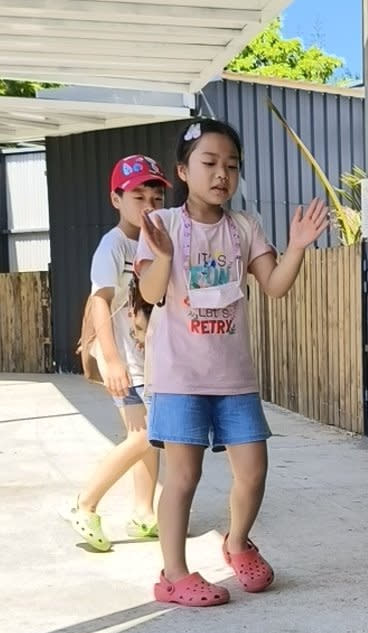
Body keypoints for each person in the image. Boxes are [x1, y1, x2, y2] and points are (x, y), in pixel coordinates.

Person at [135, 118, 328, 607]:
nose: (222, 174)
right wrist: (161, 258)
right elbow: (152, 293)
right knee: (183, 477)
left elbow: (275, 285)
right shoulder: (162, 226)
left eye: (232, 165)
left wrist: (300, 246)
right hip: (179, 376)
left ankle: (237, 543)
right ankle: (173, 575)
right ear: (182, 169)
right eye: (210, 163)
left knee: (254, 470)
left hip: (233, 377)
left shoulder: (244, 227)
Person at [65, 154, 170, 551]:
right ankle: (85, 503)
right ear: (116, 199)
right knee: (147, 434)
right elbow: (99, 300)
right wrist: (111, 360)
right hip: (125, 359)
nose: (149, 206)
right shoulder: (114, 245)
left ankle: (143, 512)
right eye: (138, 196)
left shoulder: (159, 240)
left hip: (150, 358)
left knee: (144, 436)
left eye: (156, 198)